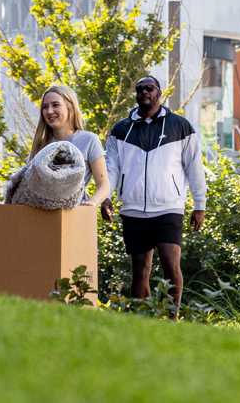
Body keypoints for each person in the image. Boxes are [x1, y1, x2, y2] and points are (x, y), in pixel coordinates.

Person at [101, 76, 206, 316]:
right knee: (140, 270)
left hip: (168, 207)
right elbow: (111, 168)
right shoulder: (121, 130)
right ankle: (143, 320)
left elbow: (194, 167)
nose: (144, 92)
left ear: (159, 93)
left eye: (149, 88)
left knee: (171, 264)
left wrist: (200, 205)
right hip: (133, 209)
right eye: (139, 89)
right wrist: (105, 197)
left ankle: (172, 318)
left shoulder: (180, 126)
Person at [28, 85, 110, 207]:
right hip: (41, 216)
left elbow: (104, 184)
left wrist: (91, 204)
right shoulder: (40, 145)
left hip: (74, 215)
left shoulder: (89, 140)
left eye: (55, 105)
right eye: (45, 107)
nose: (49, 111)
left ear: (69, 107)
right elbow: (27, 184)